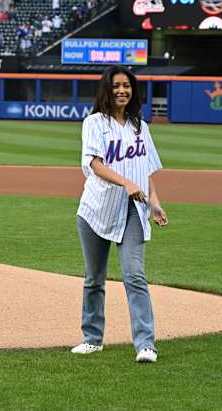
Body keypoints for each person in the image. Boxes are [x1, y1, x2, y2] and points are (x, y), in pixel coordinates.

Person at [71, 65, 168, 363]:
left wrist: (155, 202)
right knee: (94, 278)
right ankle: (92, 338)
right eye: (116, 86)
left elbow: (147, 170)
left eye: (126, 85)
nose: (122, 90)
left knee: (134, 275)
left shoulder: (141, 125)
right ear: (107, 89)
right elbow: (96, 165)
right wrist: (126, 183)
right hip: (96, 210)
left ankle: (145, 343)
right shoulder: (94, 123)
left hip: (133, 212)